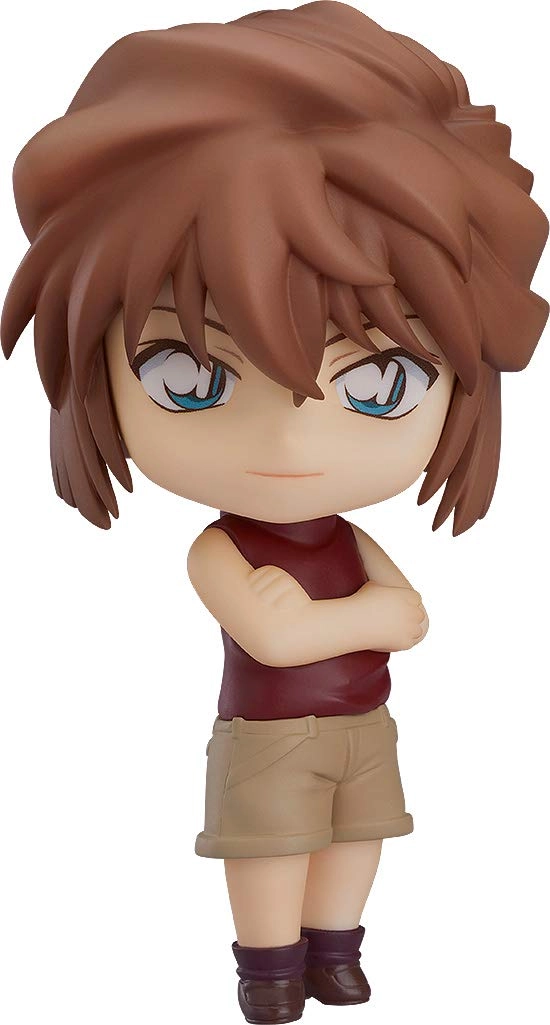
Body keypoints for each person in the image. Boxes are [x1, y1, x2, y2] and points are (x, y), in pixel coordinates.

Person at [2, 3, 547, 1023]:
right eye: (188, 375)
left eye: (377, 383)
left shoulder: (345, 537)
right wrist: (365, 618)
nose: (292, 443)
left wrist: (359, 619)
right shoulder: (219, 548)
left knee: (359, 837)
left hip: (363, 725)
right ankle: (267, 968)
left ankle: (336, 952)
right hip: (268, 736)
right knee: (267, 848)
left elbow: (407, 617)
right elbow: (280, 632)